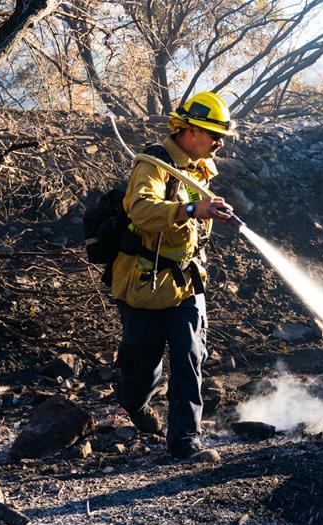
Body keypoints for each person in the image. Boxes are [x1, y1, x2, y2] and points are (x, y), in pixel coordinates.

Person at [111, 91, 235, 461]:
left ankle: (185, 442)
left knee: (190, 355)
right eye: (213, 134)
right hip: (147, 285)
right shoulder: (152, 165)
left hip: (186, 284)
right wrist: (193, 208)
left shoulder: (199, 166)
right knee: (141, 365)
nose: (219, 143)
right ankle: (134, 404)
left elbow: (193, 219)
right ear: (190, 130)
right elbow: (141, 210)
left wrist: (208, 210)